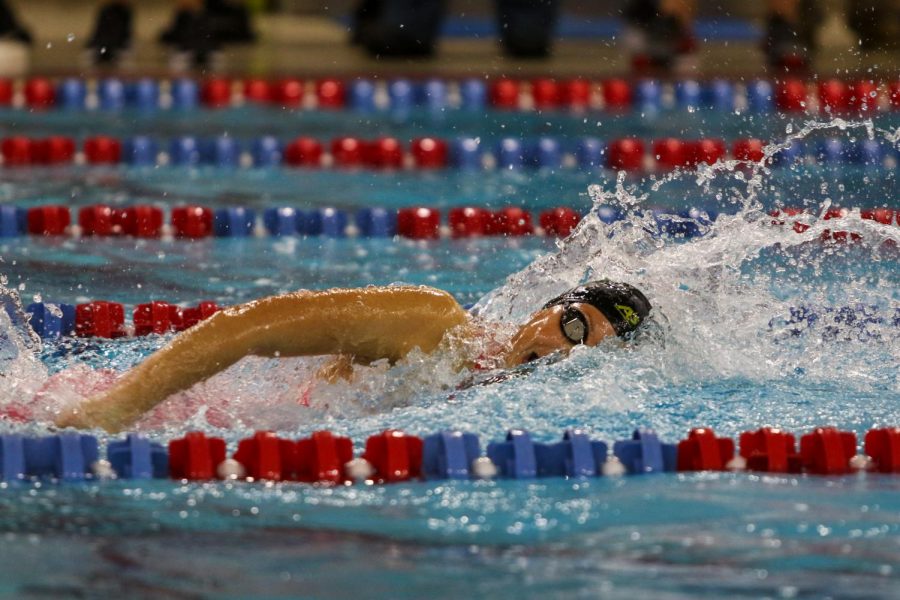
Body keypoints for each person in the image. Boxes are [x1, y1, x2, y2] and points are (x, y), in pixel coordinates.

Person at [56, 280, 651, 433]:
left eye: (590, 350)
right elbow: (248, 327)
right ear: (540, 312)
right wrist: (115, 408)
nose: (562, 352)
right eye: (572, 324)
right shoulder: (434, 327)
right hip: (245, 423)